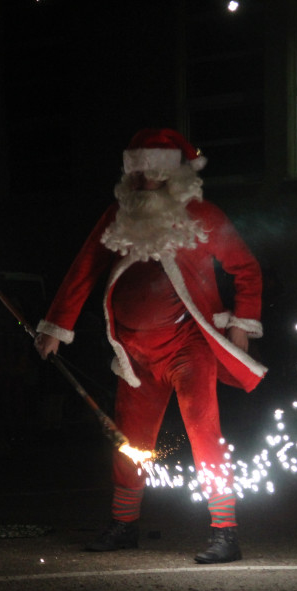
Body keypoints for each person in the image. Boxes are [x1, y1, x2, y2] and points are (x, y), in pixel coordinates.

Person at [34, 128, 265, 563]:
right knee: (130, 439)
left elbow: (246, 268)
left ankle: (225, 532)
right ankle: (124, 526)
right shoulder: (116, 216)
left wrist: (241, 326)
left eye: (154, 175)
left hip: (188, 347)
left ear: (174, 176)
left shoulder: (204, 216)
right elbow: (83, 268)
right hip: (134, 354)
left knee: (204, 435)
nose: (143, 183)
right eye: (137, 174)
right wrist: (55, 327)